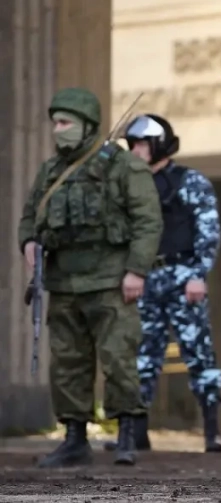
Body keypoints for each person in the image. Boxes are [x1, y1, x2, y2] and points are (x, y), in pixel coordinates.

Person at [17, 87, 163, 467]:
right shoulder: (51, 171)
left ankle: (127, 434)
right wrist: (28, 243)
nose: (57, 130)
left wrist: (136, 270)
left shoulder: (124, 166)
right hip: (64, 282)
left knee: (118, 359)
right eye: (55, 123)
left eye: (65, 123)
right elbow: (30, 216)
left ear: (87, 125)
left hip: (111, 281)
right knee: (67, 362)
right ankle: (74, 439)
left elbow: (148, 221)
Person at [103, 113, 221, 453]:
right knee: (141, 356)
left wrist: (199, 273)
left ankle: (212, 431)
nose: (136, 150)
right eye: (132, 144)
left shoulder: (189, 181)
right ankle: (135, 433)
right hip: (143, 278)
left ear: (159, 145)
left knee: (198, 353)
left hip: (183, 275)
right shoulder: (130, 184)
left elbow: (208, 230)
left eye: (142, 144)